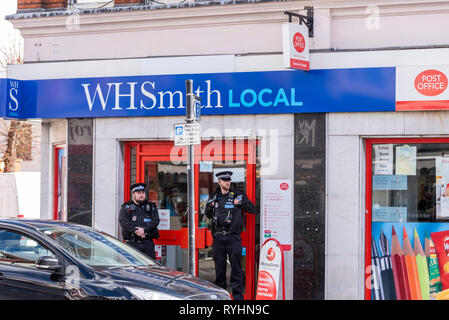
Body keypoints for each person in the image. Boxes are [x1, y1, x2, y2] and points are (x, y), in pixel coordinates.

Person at [205, 171, 256, 300]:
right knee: (219, 270)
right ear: (219, 182)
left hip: (233, 238)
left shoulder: (238, 195)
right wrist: (210, 207)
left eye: (229, 180)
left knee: (236, 269)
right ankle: (221, 297)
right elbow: (208, 214)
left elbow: (252, 209)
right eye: (225, 180)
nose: (228, 182)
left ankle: (238, 298)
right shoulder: (215, 196)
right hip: (218, 239)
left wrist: (240, 203)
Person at [119, 183, 160, 259]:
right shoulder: (126, 207)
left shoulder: (151, 206)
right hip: (132, 244)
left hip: (148, 244)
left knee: (149, 268)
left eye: (143, 192)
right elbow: (124, 222)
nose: (141, 195)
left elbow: (155, 221)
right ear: (133, 194)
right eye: (138, 193)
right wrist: (137, 231)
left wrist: (144, 230)